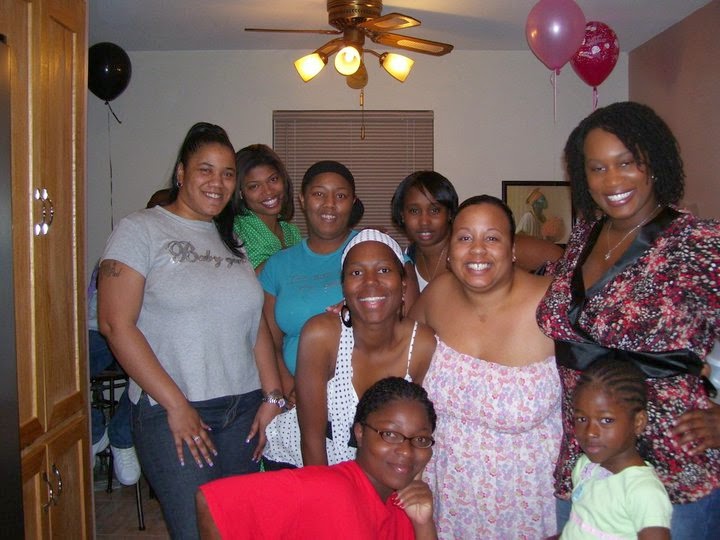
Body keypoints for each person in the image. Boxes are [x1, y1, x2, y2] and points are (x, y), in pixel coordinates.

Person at [536, 101, 720, 540]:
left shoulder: (699, 243)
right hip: (584, 468)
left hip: (670, 477)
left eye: (626, 163)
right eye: (597, 168)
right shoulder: (585, 236)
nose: (613, 180)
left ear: (653, 163)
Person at [97, 122, 282, 538]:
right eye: (206, 170)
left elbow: (252, 323)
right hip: (174, 411)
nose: (218, 182)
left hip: (243, 411)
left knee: (240, 529)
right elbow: (115, 324)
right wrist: (176, 405)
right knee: (197, 530)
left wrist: (272, 395)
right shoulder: (140, 229)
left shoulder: (231, 239)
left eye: (228, 173)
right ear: (181, 173)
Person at [409, 195, 561, 539]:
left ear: (513, 249)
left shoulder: (551, 303)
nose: (477, 250)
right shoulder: (437, 294)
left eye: (492, 238)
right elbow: (399, 352)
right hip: (448, 499)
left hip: (527, 507)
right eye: (465, 237)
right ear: (450, 251)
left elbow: (607, 379)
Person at [262, 229, 436, 468]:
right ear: (344, 287)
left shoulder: (422, 344)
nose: (370, 281)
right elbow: (311, 440)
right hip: (302, 464)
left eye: (384, 270)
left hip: (376, 470)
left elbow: (418, 435)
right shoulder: (322, 335)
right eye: (356, 273)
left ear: (404, 283)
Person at [196, 377, 438, 540]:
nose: (406, 451)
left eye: (420, 439)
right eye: (390, 435)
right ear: (360, 433)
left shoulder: (403, 506)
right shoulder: (328, 489)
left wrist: (424, 523)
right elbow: (211, 502)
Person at [259, 160, 365, 403]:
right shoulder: (278, 265)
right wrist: (290, 386)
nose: (330, 204)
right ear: (302, 200)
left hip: (363, 396)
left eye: (340, 195)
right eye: (319, 194)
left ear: (353, 202)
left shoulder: (373, 249)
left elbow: (405, 324)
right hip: (296, 398)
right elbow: (271, 345)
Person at [89, 188, 170, 484]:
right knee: (58, 376)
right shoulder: (127, 243)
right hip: (96, 333)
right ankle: (93, 429)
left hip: (143, 336)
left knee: (150, 365)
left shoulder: (179, 258)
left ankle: (122, 436)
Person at [561, 358, 672, 539]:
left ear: (638, 422)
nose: (590, 432)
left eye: (606, 420)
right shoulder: (586, 465)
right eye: (582, 419)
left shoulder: (642, 490)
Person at [391, 171, 564, 284]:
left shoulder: (482, 247)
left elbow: (561, 259)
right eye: (414, 211)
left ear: (450, 213)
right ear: (402, 215)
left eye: (435, 210)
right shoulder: (405, 260)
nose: (424, 221)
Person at [232, 144, 301, 273]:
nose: (268, 191)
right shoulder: (236, 231)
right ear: (240, 193)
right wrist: (282, 257)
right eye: (254, 186)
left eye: (273, 179)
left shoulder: (292, 232)